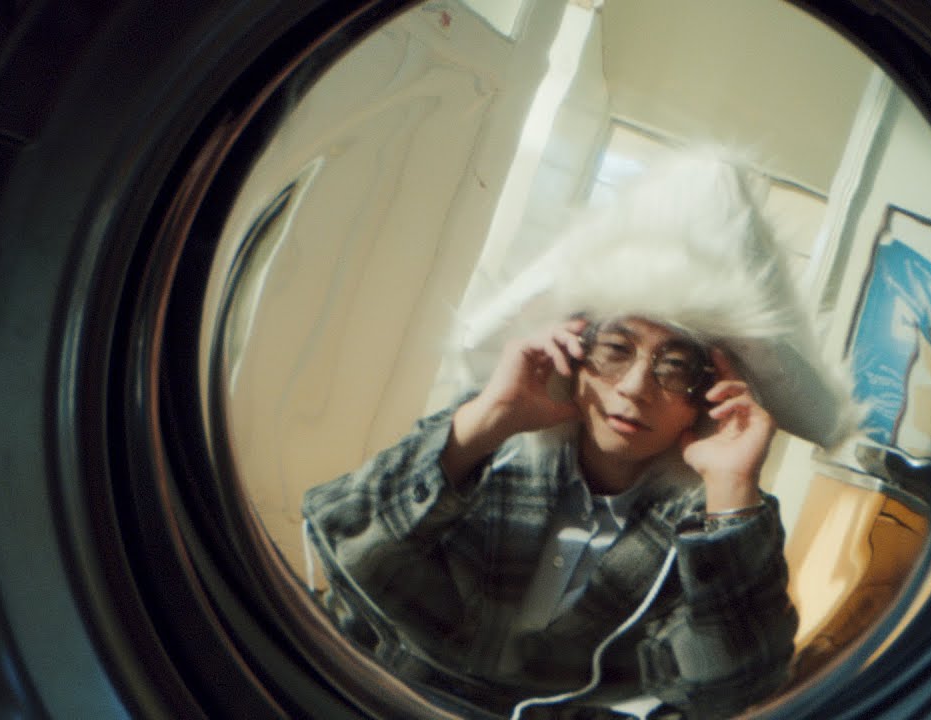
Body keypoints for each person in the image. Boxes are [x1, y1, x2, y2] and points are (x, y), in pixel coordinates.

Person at [301, 149, 853, 719]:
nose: (634, 388)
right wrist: (486, 419)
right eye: (615, 349)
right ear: (574, 351)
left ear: (710, 393)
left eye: (675, 367)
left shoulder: (709, 526)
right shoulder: (488, 449)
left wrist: (733, 491)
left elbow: (735, 695)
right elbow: (339, 544)